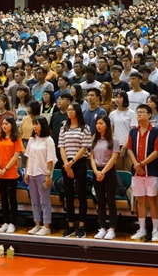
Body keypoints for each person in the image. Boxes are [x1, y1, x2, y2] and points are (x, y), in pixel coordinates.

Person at [126, 103, 158, 243]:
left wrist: (142, 164)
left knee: (152, 200)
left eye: (142, 112)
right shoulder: (133, 132)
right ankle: (142, 229)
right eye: (138, 112)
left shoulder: (155, 131)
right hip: (136, 172)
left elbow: (157, 151)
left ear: (149, 115)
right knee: (140, 201)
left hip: (151, 170)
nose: (139, 114)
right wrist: (136, 164)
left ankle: (155, 230)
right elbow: (129, 149)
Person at [58, 102, 92, 238]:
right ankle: (70, 225)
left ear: (77, 111)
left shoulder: (85, 128)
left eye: (72, 109)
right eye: (68, 110)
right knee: (69, 196)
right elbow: (61, 147)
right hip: (66, 163)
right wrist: (66, 164)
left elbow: (85, 147)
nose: (69, 112)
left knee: (81, 195)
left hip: (79, 163)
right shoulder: (63, 127)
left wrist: (72, 162)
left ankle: (82, 226)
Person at [25, 116, 56, 237]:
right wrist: (27, 172)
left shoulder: (49, 140)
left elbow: (50, 159)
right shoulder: (32, 140)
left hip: (43, 173)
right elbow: (28, 157)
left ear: (42, 125)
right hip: (32, 173)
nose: (34, 126)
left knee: (44, 201)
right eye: (33, 124)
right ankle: (37, 223)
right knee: (34, 201)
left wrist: (48, 174)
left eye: (36, 124)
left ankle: (46, 225)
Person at [90, 116, 120, 241]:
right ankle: (102, 227)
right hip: (97, 171)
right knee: (100, 201)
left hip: (108, 172)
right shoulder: (94, 140)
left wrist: (102, 172)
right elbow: (92, 157)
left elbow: (114, 158)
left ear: (106, 125)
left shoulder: (114, 140)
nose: (98, 126)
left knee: (111, 201)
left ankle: (112, 229)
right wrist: (96, 171)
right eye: (97, 123)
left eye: (101, 123)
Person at [0, 116, 24, 233]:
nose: (4, 126)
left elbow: (16, 156)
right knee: (3, 197)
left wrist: (5, 168)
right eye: (3, 124)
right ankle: (5, 222)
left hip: (10, 173)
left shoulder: (16, 139)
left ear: (12, 125)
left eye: (6, 124)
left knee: (12, 197)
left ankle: (12, 223)